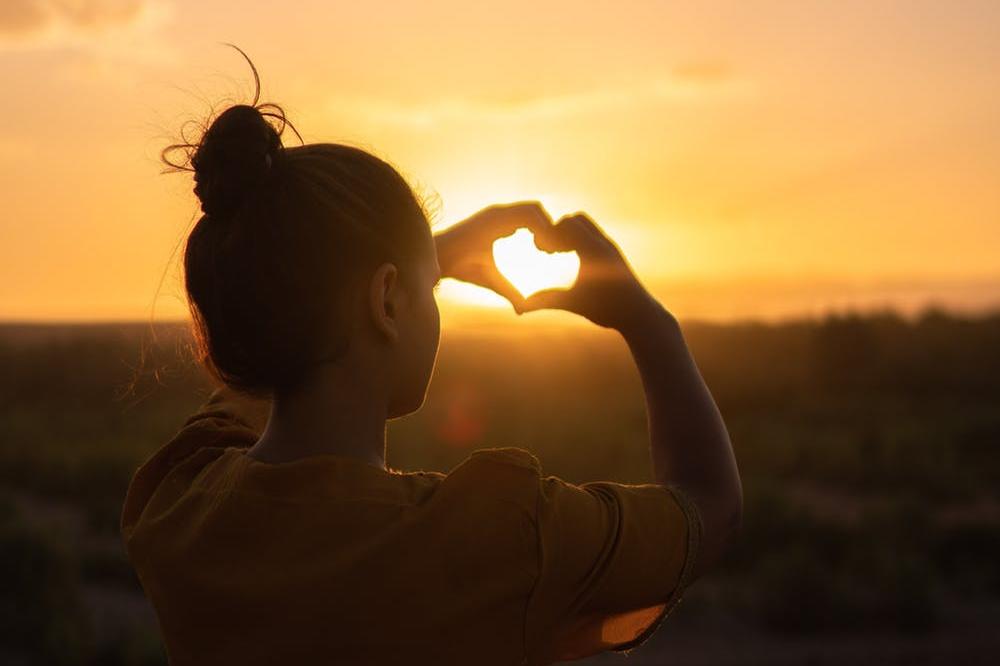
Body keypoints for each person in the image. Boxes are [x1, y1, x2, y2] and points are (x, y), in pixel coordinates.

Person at [120, 50, 742, 666]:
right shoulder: (497, 539)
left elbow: (270, 351)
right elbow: (708, 505)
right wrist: (648, 322)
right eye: (427, 286)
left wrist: (409, 260)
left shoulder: (178, 504)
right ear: (386, 299)